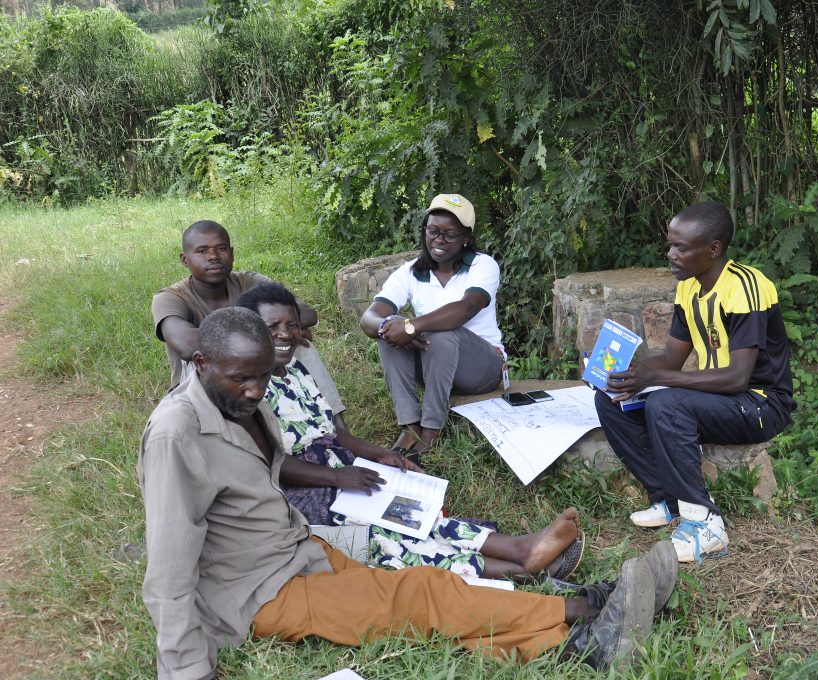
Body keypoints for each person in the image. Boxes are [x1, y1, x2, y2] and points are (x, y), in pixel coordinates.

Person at [137, 307, 679, 678]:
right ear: (200, 364)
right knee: (416, 596)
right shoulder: (175, 435)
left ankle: (569, 623)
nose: (255, 391)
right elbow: (167, 568)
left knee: (426, 590)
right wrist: (187, 669)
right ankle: (584, 615)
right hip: (260, 590)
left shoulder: (236, 398)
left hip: (299, 552)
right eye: (241, 380)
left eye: (261, 377)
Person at [236, 282, 586, 581]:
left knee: (410, 508)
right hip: (299, 494)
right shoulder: (248, 389)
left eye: (292, 325)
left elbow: (334, 434)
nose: (285, 334)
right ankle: (523, 568)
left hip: (336, 468)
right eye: (272, 327)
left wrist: (382, 456)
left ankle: (519, 548)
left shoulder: (294, 370)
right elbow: (271, 465)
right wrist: (337, 477)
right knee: (387, 532)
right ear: (250, 330)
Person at [594, 200, 796, 563]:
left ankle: (706, 523)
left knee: (664, 402)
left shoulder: (746, 287)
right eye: (671, 244)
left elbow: (738, 377)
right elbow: (672, 359)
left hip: (760, 403)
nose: (671, 254)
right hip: (718, 398)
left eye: (681, 247)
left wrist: (657, 378)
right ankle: (668, 498)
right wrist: (628, 373)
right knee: (612, 398)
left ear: (713, 249)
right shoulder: (688, 287)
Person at [151, 220, 380, 461]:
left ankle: (335, 428)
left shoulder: (248, 281)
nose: (214, 256)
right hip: (206, 380)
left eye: (222, 248)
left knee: (300, 345)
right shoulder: (170, 298)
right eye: (202, 251)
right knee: (217, 355)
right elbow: (187, 345)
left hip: (255, 369)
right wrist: (264, 332)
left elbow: (305, 313)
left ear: (232, 252)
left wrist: (284, 329)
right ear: (184, 259)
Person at [359, 194, 505, 458]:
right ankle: (409, 425)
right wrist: (389, 326)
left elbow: (466, 308)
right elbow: (369, 318)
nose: (439, 239)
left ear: (466, 238)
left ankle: (430, 429)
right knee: (389, 325)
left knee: (440, 329)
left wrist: (413, 326)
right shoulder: (411, 271)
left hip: (482, 368)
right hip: (435, 366)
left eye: (450, 234)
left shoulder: (483, 265)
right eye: (433, 231)